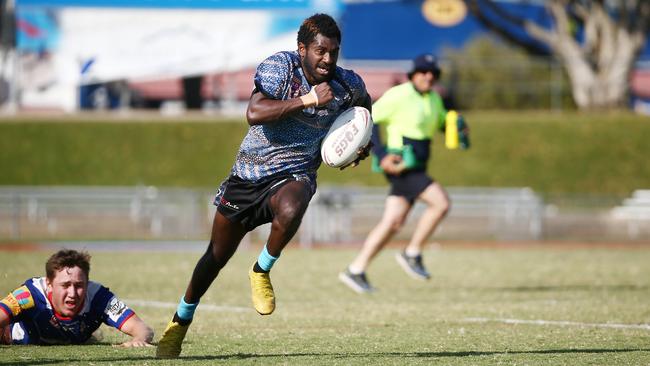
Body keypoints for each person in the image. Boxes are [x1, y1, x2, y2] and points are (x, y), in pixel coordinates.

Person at [156, 13, 371, 359]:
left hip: (295, 173)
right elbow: (255, 111)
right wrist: (308, 100)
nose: (328, 60)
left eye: (334, 52)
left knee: (294, 204)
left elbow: (363, 107)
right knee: (215, 257)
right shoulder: (280, 68)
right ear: (302, 49)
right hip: (248, 177)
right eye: (320, 51)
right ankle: (180, 321)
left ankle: (262, 269)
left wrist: (363, 141)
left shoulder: (347, 84)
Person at [339, 54, 467, 294]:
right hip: (400, 165)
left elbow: (440, 123)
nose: (428, 76)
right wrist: (381, 154)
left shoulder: (434, 99)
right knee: (441, 203)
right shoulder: (400, 94)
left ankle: (355, 270)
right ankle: (412, 253)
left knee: (393, 222)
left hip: (418, 165)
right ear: (413, 74)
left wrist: (456, 128)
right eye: (422, 72)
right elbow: (371, 119)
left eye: (432, 73)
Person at [0, 249, 153, 346]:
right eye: (65, 285)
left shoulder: (98, 297)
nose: (73, 293)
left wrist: (139, 340)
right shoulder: (30, 294)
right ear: (49, 284)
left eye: (79, 285)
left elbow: (143, 329)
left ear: (87, 282)